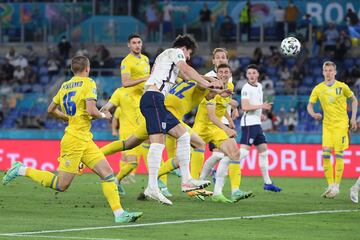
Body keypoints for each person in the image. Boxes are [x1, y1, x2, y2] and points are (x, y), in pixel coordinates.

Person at [2, 56, 142, 223]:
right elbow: (91, 110)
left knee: (107, 173)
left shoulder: (65, 85)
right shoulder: (89, 83)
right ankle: (21, 170)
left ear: (73, 70)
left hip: (85, 139)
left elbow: (50, 109)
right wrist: (103, 114)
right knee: (61, 185)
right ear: (87, 68)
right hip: (74, 140)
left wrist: (66, 117)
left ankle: (119, 214)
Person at [101, 35, 217, 205]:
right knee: (158, 143)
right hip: (153, 99)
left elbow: (187, 76)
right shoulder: (174, 52)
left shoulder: (166, 61)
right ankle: (152, 187)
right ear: (183, 49)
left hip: (156, 101)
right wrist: (206, 83)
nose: (188, 57)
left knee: (184, 135)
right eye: (188, 53)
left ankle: (187, 180)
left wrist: (212, 83)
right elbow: (187, 70)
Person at [194, 63, 253, 203]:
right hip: (202, 127)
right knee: (181, 160)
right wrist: (226, 128)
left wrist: (229, 119)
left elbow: (222, 106)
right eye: (221, 72)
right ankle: (158, 179)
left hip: (215, 128)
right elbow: (212, 116)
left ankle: (232, 191)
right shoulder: (212, 88)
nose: (224, 74)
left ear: (230, 74)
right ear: (217, 74)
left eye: (227, 72)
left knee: (234, 153)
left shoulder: (230, 87)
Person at [192, 48, 241, 199]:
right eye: (217, 58)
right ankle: (197, 184)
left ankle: (227, 190)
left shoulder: (227, 78)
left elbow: (222, 102)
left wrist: (231, 112)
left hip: (219, 121)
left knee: (228, 153)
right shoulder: (208, 78)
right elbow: (210, 101)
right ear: (213, 61)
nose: (220, 60)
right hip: (206, 121)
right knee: (190, 155)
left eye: (223, 57)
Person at [307, 61, 358, 198]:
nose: (328, 73)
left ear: (335, 72)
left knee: (339, 154)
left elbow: (354, 100)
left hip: (341, 125)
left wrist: (353, 119)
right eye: (326, 70)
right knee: (325, 155)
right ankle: (331, 185)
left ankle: (337, 185)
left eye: (330, 70)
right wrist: (313, 114)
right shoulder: (318, 89)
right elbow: (310, 105)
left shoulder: (342, 87)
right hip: (327, 126)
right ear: (323, 72)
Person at [239, 64, 282, 192]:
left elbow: (255, 105)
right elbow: (245, 107)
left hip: (257, 124)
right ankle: (218, 169)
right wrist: (262, 106)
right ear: (246, 76)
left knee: (264, 152)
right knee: (244, 153)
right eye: (249, 73)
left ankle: (268, 183)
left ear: (258, 75)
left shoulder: (259, 86)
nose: (251, 75)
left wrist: (261, 114)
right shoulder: (246, 88)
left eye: (254, 73)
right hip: (249, 124)